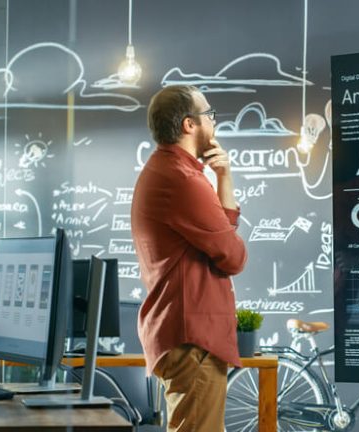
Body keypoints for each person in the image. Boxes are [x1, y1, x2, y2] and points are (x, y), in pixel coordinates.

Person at [131, 85, 247, 431]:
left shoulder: (171, 171)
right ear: (189, 124)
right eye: (209, 114)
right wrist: (221, 182)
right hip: (193, 339)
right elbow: (234, 256)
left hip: (187, 336)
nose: (214, 121)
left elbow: (222, 233)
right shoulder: (182, 180)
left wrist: (223, 176)